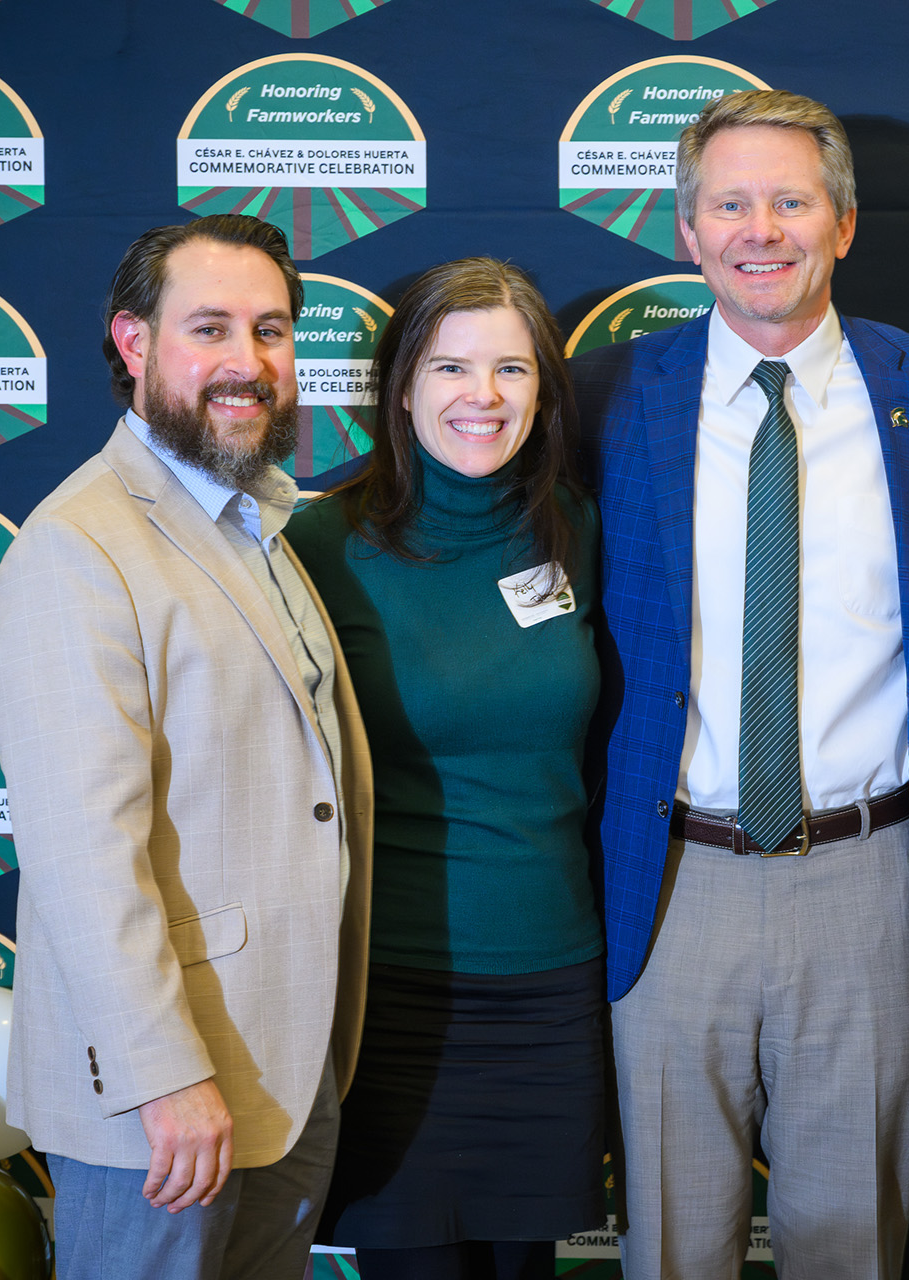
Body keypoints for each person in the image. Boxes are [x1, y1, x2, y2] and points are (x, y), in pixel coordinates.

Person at [569, 90, 909, 1278]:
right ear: (689, 231)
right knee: (669, 1244)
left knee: (854, 1243)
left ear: (845, 224)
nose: (763, 229)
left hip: (870, 880)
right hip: (669, 880)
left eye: (792, 200)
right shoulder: (599, 397)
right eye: (731, 203)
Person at [0, 213, 372, 1280]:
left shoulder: (254, 520)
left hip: (277, 1068)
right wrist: (164, 1074)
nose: (247, 364)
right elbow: (82, 854)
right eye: (210, 328)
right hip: (161, 1099)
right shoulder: (78, 547)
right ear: (134, 344)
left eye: (273, 330)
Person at [287, 258, 604, 1280]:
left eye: (512, 369)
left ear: (545, 390)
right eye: (451, 367)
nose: (483, 396)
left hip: (554, 985)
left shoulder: (576, 529)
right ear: (401, 385)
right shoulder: (320, 543)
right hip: (393, 996)